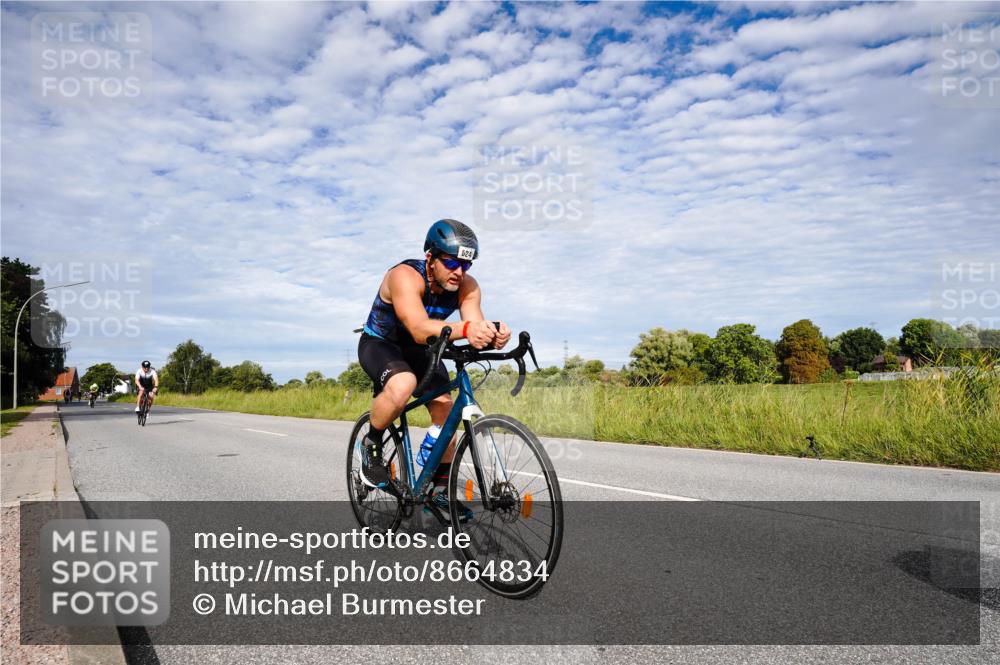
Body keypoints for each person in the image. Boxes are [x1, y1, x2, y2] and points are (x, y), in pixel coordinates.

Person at [357, 219, 511, 521]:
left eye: (465, 265)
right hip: (382, 344)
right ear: (431, 257)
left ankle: (437, 492)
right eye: (452, 263)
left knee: (447, 412)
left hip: (423, 348)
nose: (459, 272)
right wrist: (468, 328)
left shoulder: (467, 285)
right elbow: (416, 328)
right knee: (402, 385)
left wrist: (492, 334)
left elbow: (473, 324)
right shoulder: (404, 276)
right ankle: (371, 442)